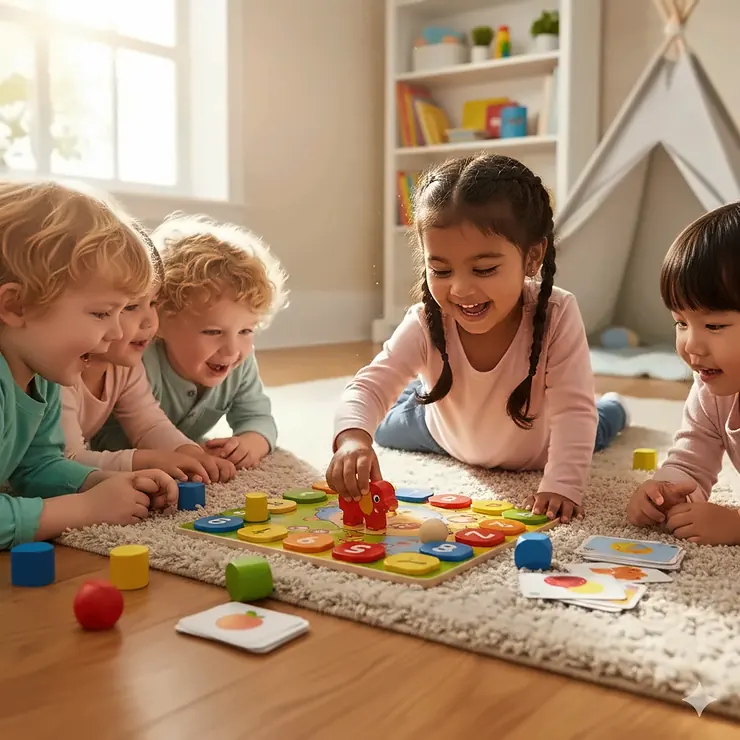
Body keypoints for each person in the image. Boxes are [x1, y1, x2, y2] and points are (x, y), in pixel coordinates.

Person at [327, 154, 628, 523]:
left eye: (484, 269)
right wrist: (354, 439)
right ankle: (420, 390)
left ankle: (615, 405)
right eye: (440, 269)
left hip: (538, 447)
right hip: (440, 434)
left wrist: (562, 484)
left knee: (595, 424)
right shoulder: (425, 321)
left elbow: (573, 413)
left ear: (532, 257)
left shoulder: (558, 313)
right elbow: (368, 388)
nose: (461, 289)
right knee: (382, 428)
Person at [0, 180, 178, 550]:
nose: (116, 332)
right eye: (101, 313)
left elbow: (37, 466)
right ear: (15, 306)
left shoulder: (43, 374)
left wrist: (97, 483)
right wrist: (81, 509)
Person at [91, 213, 289, 469]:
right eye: (213, 332)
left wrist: (250, 442)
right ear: (160, 320)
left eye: (246, 331)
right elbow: (115, 438)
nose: (232, 350)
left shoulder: (241, 363)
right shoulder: (139, 360)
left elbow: (258, 417)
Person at [60, 230, 236, 483]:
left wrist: (189, 453)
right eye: (131, 306)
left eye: (153, 303)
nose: (150, 321)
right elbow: (66, 462)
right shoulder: (56, 371)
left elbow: (149, 425)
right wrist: (146, 461)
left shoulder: (124, 366)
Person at [627, 202, 740, 545]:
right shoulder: (711, 388)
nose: (692, 345)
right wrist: (665, 492)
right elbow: (691, 463)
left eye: (714, 325)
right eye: (680, 323)